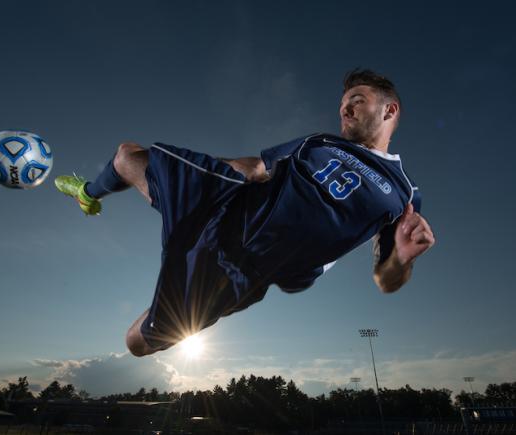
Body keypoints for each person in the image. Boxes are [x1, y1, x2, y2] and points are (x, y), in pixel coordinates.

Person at [55, 69, 435, 357]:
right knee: (129, 156)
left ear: (390, 109)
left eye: (356, 100)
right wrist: (202, 176)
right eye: (342, 104)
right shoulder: (318, 142)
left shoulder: (404, 193)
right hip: (230, 205)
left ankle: (173, 287)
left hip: (247, 272)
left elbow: (386, 280)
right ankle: (88, 193)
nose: (345, 109)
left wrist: (401, 257)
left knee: (136, 343)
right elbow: (257, 167)